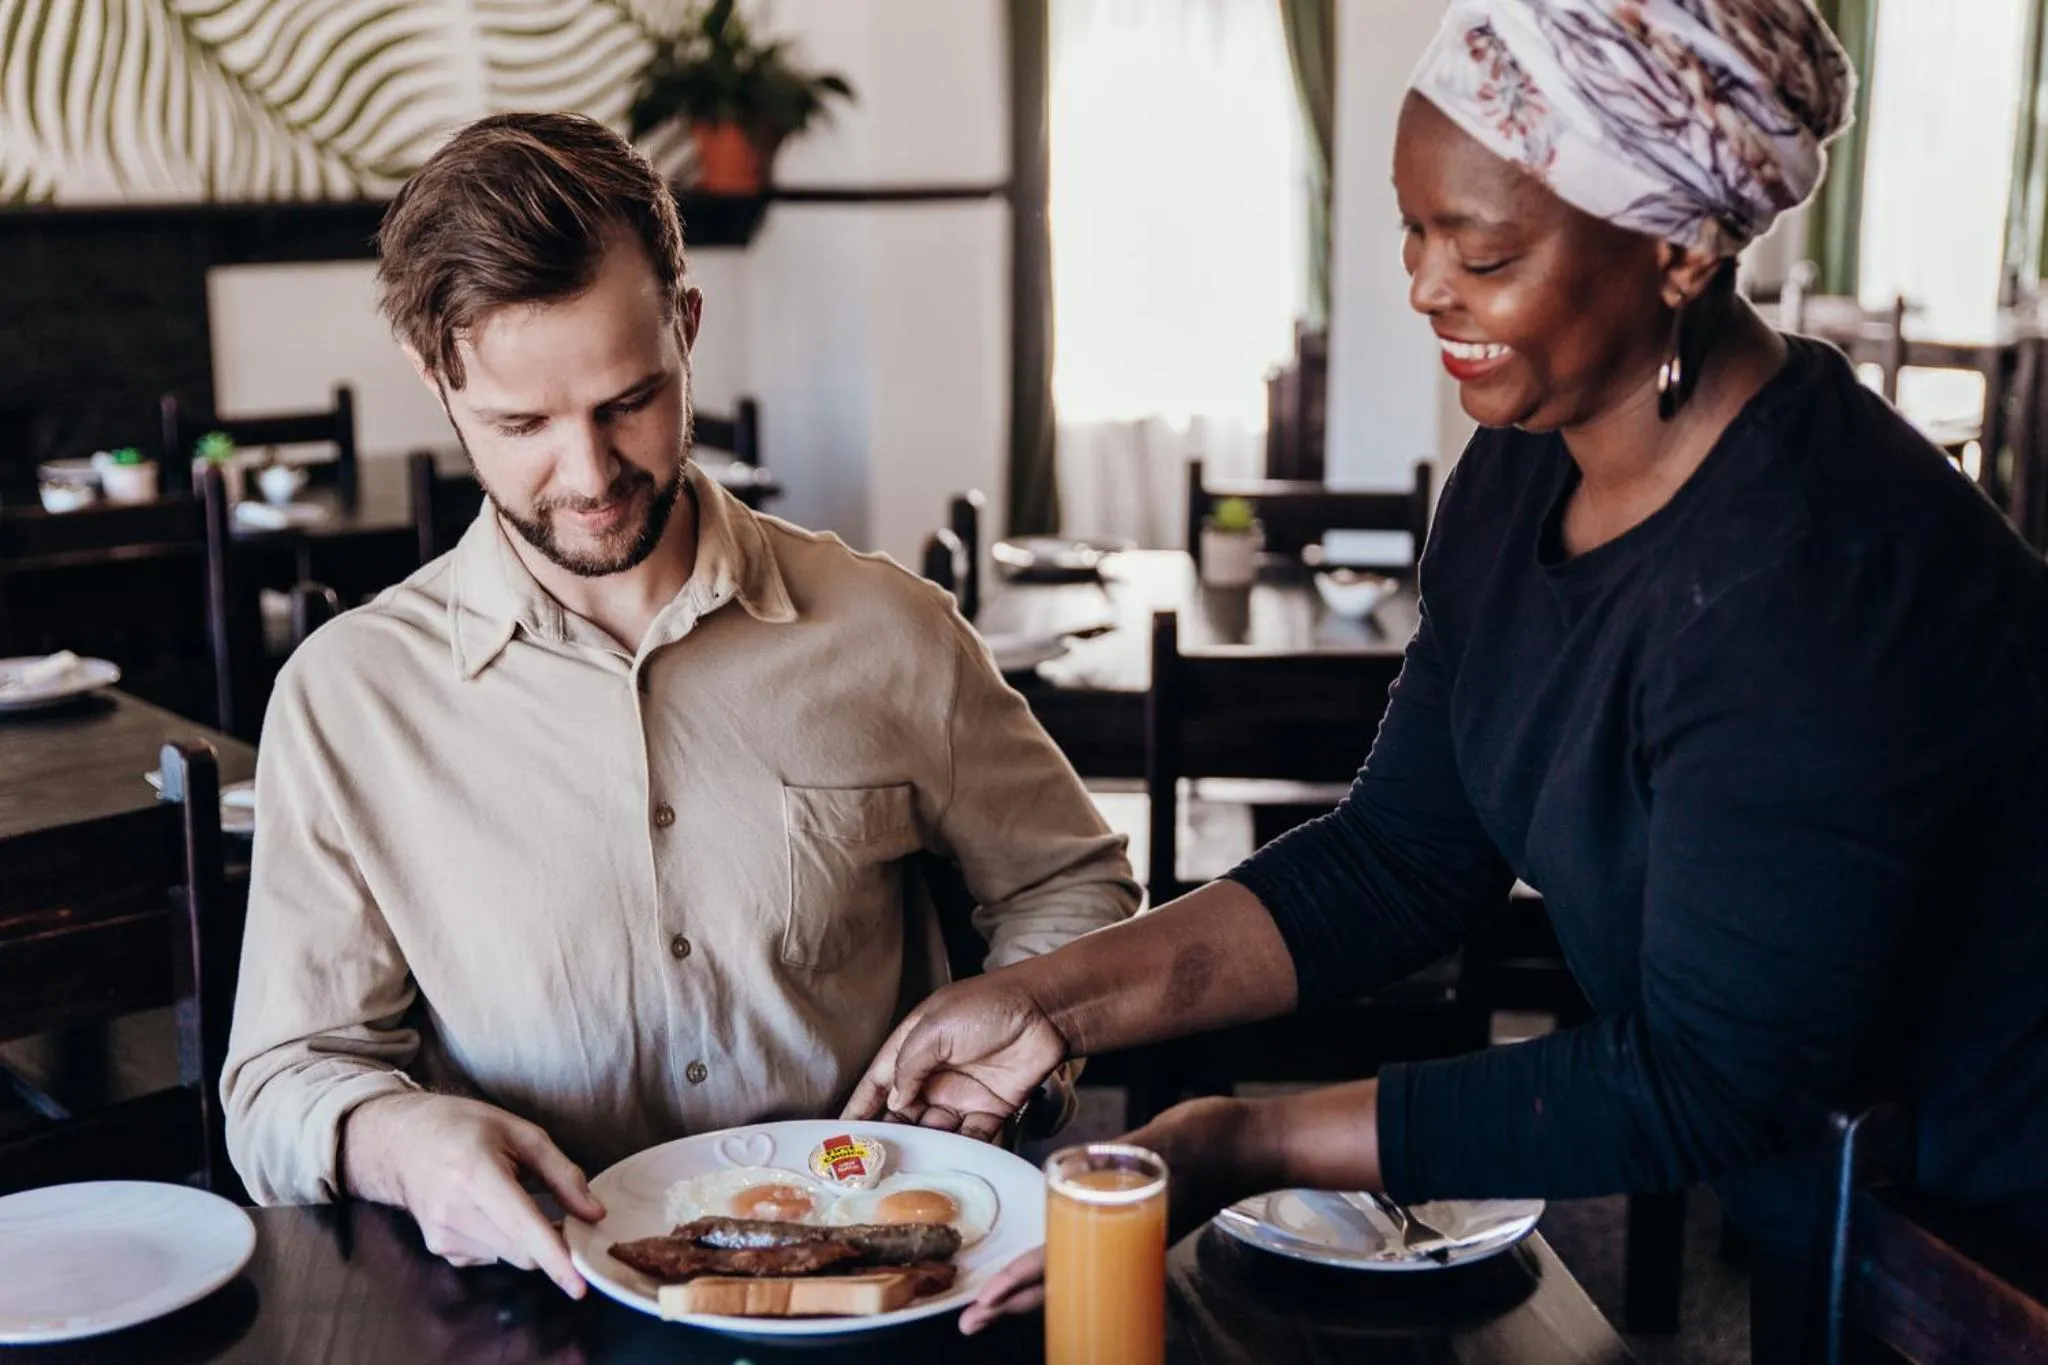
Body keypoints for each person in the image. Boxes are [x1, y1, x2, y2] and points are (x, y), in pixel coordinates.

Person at [848, 0, 2048, 1337]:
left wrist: (1241, 1140)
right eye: (1411, 229)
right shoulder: (1528, 458)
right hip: (1837, 1202)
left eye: (1480, 250)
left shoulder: (1822, 580)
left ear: (1680, 252)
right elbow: (1403, 854)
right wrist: (1038, 999)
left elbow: (1706, 1083)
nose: (1424, 282)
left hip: (1999, 1229)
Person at [221, 112, 1139, 1298]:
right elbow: (280, 1079)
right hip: (528, 1308)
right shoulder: (350, 699)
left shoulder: (887, 631)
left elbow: (1070, 881)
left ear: (687, 330)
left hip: (879, 1287)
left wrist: (1020, 1039)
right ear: (436, 380)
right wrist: (397, 1143)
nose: (591, 475)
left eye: (627, 401)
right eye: (521, 427)